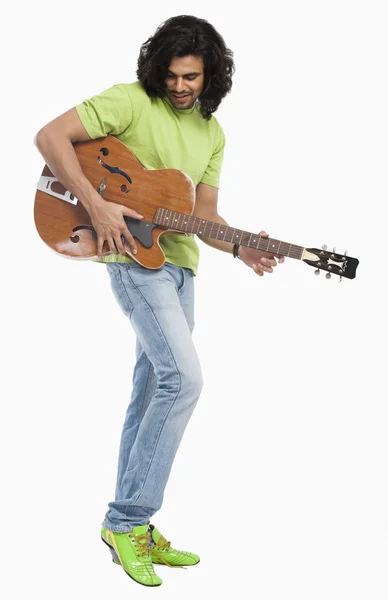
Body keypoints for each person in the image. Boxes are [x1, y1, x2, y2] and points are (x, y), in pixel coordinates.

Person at [34, 14, 284, 588]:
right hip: (131, 259)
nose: (179, 87)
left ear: (210, 75)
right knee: (183, 381)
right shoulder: (130, 102)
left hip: (179, 268)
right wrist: (97, 208)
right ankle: (129, 520)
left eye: (191, 77)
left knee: (151, 389)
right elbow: (50, 137)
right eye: (171, 75)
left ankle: (128, 526)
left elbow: (205, 217)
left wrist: (239, 247)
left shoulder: (212, 134)